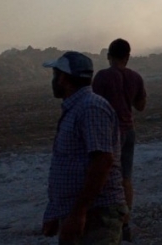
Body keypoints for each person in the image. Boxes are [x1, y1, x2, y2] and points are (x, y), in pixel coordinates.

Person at [42, 51, 128, 244]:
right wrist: (58, 213)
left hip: (96, 214)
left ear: (63, 78)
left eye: (55, 75)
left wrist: (78, 213)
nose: (53, 81)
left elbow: (103, 161)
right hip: (81, 212)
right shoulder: (78, 107)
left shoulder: (90, 108)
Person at [92, 39, 147, 242]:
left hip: (108, 132)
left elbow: (94, 102)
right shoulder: (135, 77)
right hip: (129, 130)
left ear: (109, 56)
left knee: (103, 174)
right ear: (128, 57)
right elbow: (140, 106)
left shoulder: (102, 77)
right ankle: (125, 223)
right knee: (126, 177)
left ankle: (105, 220)